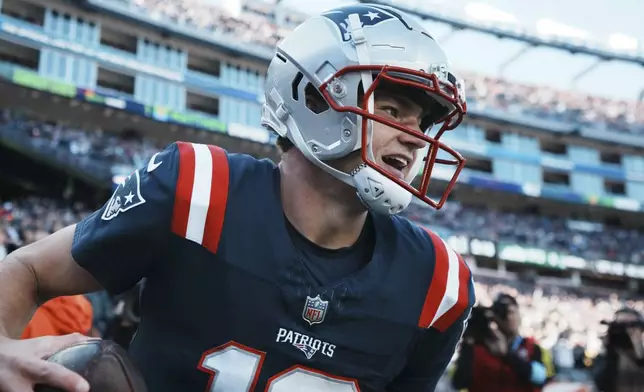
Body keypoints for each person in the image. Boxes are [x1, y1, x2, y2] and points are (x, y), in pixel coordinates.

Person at [0, 3, 474, 392]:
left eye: (423, 124)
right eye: (392, 110)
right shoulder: (199, 189)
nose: (415, 140)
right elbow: (28, 270)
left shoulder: (437, 282)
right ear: (314, 98)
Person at [451, 294, 555, 392]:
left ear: (519, 313)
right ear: (494, 317)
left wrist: (506, 355)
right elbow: (459, 382)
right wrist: (468, 344)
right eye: (503, 313)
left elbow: (540, 377)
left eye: (512, 311)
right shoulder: (479, 349)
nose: (509, 317)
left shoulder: (532, 347)